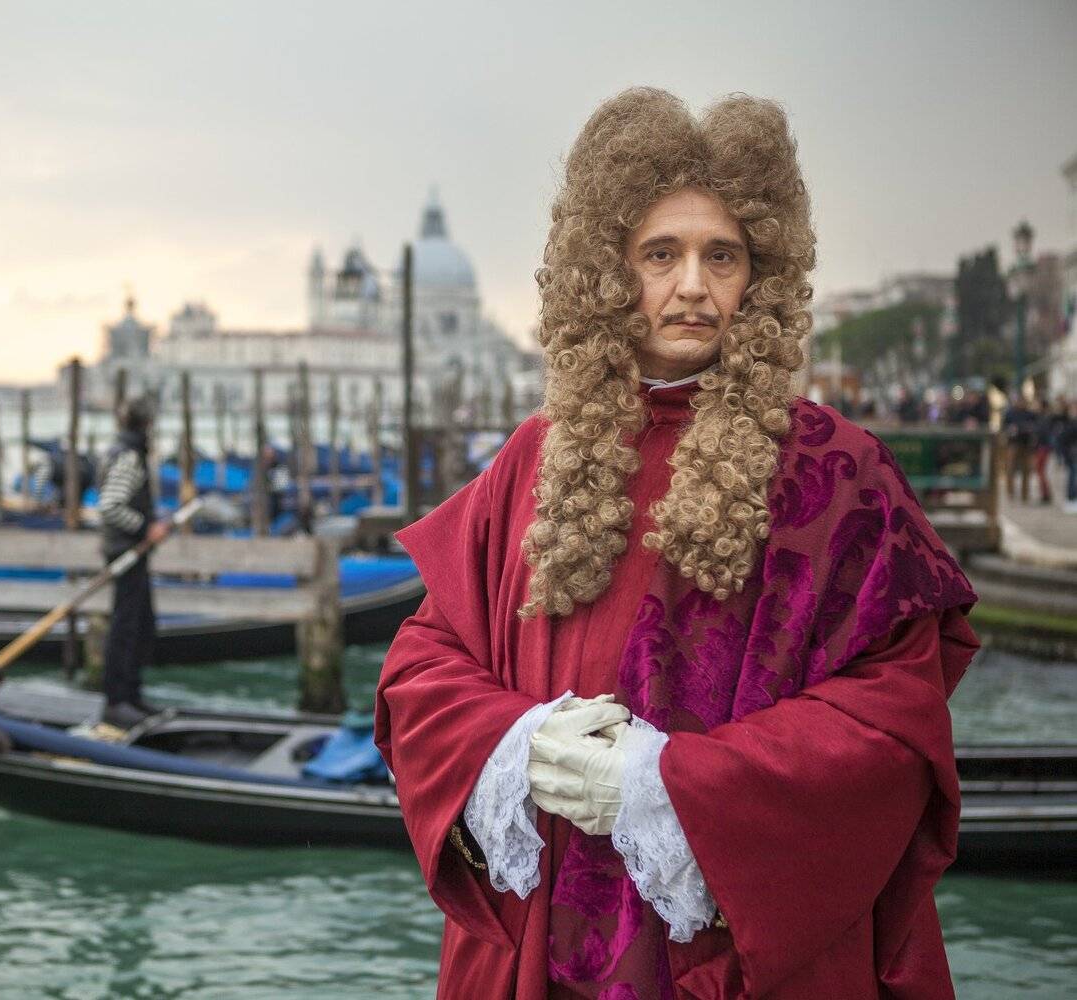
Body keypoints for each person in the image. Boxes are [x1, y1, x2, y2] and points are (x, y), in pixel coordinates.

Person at [375, 88, 979, 999]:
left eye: (721, 256)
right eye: (662, 254)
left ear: (758, 276)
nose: (693, 285)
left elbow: (893, 722)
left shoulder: (838, 474)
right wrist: (514, 743)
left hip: (732, 954)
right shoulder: (535, 456)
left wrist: (672, 788)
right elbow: (425, 660)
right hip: (546, 938)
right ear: (612, 270)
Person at [96, 397, 170, 728]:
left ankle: (132, 696)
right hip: (126, 552)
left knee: (140, 625)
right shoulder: (128, 457)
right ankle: (117, 701)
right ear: (147, 426)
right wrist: (145, 528)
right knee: (125, 628)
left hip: (130, 551)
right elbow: (110, 505)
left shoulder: (124, 451)